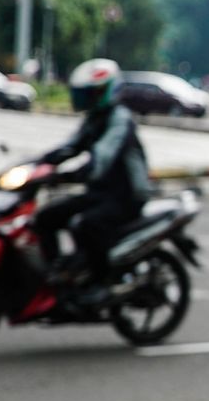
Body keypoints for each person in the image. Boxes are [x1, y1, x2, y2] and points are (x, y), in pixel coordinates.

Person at [34, 58, 154, 306]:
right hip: (100, 193)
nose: (86, 98)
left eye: (91, 93)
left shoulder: (120, 119)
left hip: (126, 196)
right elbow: (69, 147)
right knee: (46, 217)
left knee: (85, 224)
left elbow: (101, 158)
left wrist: (67, 175)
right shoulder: (95, 118)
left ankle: (101, 283)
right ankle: (59, 275)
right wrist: (36, 164)